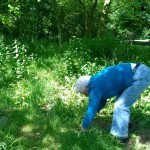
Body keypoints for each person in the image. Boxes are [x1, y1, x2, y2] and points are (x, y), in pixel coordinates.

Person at [74, 62, 150, 143]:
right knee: (121, 101)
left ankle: (121, 137)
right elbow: (102, 101)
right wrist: (94, 112)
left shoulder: (94, 88)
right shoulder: (96, 81)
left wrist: (83, 128)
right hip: (138, 71)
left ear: (86, 87)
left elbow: (91, 109)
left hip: (139, 75)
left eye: (83, 93)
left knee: (120, 105)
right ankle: (127, 124)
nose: (85, 95)